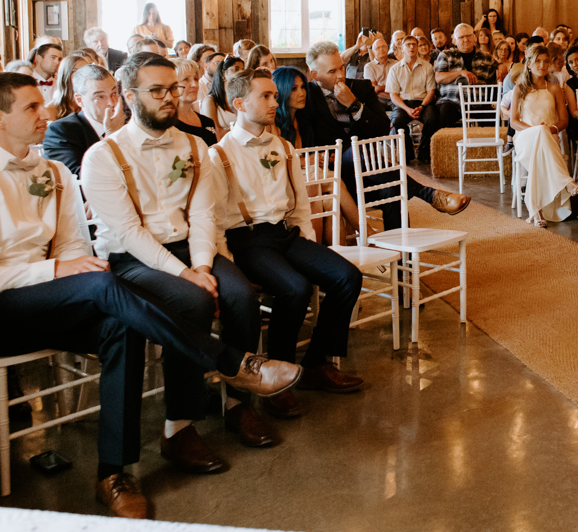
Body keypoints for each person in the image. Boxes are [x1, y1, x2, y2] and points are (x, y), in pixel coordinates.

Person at [0, 72, 298, 519]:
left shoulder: (56, 173)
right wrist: (59, 270)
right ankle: (232, 362)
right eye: (31, 107)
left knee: (120, 326)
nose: (45, 113)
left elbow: (71, 248)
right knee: (105, 282)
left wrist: (66, 269)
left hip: (52, 297)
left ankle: (112, 473)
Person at [82, 53, 281, 468]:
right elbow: (130, 234)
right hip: (132, 258)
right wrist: (186, 275)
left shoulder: (196, 146)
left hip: (191, 249)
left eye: (173, 88)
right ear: (129, 95)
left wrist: (204, 267)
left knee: (241, 295)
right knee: (190, 302)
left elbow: (205, 214)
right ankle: (179, 427)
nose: (170, 97)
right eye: (157, 90)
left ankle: (236, 403)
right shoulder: (103, 156)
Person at [212, 69, 366, 420]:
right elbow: (216, 218)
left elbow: (299, 204)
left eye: (274, 95)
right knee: (295, 289)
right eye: (265, 96)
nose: (274, 101)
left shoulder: (282, 146)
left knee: (346, 276)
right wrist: (228, 262)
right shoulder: (219, 154)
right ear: (239, 103)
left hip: (286, 233)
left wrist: (310, 248)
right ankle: (276, 380)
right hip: (248, 240)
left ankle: (315, 365)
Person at [304, 41, 469, 231]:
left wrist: (354, 104)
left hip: (370, 172)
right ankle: (429, 194)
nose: (341, 75)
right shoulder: (306, 95)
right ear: (315, 74)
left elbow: (382, 130)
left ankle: (400, 258)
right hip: (333, 177)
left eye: (341, 67)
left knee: (394, 189)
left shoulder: (361, 88)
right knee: (357, 150)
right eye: (332, 72)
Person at [507, 45, 578, 227]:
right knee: (539, 132)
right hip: (525, 137)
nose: (542, 65)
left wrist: (549, 130)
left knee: (541, 143)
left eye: (546, 61)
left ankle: (537, 211)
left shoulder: (555, 89)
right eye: (538, 61)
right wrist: (536, 131)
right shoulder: (520, 88)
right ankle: (567, 181)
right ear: (529, 64)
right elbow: (514, 121)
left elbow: (563, 121)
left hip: (549, 137)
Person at [45, 64, 124, 178]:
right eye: (100, 97)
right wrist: (112, 137)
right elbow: (78, 178)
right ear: (79, 100)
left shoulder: (126, 124)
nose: (112, 102)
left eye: (114, 93)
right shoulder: (61, 131)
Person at [386, 35, 444, 162]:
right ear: (402, 49)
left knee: (432, 119)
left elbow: (431, 91)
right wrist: (407, 109)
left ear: (417, 48)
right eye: (408, 44)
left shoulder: (427, 67)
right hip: (403, 103)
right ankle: (407, 153)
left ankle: (424, 153)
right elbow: (393, 95)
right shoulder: (394, 69)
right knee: (397, 120)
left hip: (423, 102)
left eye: (414, 44)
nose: (411, 47)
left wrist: (422, 106)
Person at [435, 23, 498, 126]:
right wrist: (460, 73)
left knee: (493, 114)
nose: (466, 40)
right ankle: (447, 141)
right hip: (452, 101)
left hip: (478, 102)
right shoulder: (446, 55)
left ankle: (489, 142)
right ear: (454, 41)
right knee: (445, 112)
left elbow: (497, 74)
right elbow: (439, 78)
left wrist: (500, 65)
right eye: (461, 37)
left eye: (468, 36)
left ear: (474, 38)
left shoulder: (487, 57)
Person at [172, 58, 217, 148]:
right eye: (186, 80)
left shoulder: (207, 122)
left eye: (196, 79)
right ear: (172, 85)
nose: (195, 85)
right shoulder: (168, 124)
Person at [201, 56, 244, 140]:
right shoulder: (210, 101)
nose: (241, 73)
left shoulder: (243, 98)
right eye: (236, 69)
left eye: (243, 69)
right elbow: (214, 134)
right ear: (223, 73)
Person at [46, 51, 92, 121]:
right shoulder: (51, 109)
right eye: (75, 72)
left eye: (85, 71)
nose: (83, 76)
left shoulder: (91, 103)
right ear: (65, 76)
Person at [271, 67, 310, 146]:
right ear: (281, 91)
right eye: (294, 89)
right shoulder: (273, 123)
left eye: (302, 87)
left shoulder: (303, 118)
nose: (302, 93)